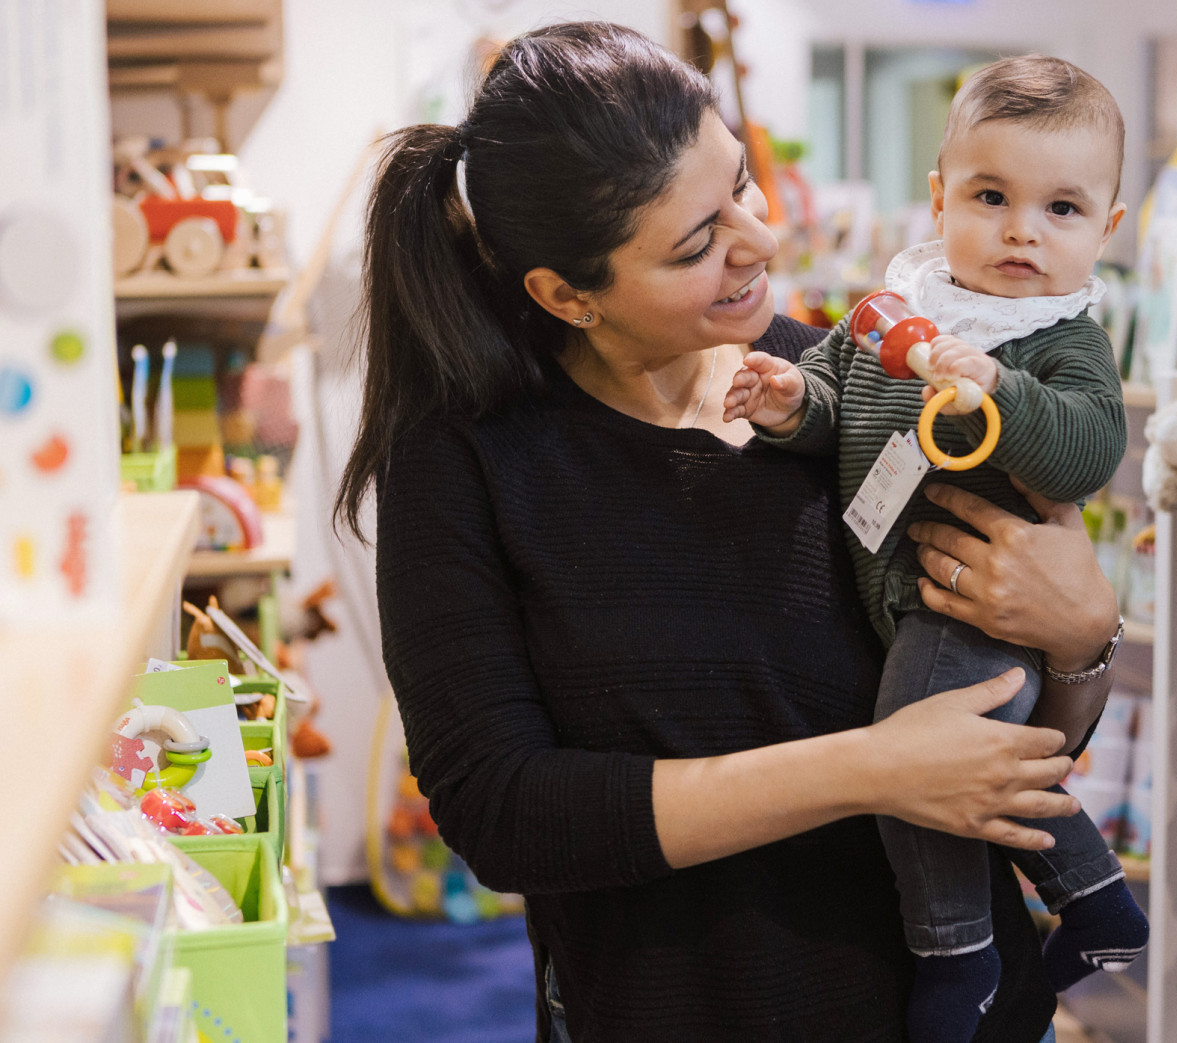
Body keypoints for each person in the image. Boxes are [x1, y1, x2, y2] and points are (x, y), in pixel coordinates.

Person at [339, 22, 1123, 1043]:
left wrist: (1081, 638)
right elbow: (503, 810)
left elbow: (998, 738)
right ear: (566, 293)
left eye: (742, 187)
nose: (758, 241)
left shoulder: (852, 383)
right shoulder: (465, 463)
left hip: (960, 1010)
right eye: (696, 241)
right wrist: (868, 767)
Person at [723, 56, 1147, 1043]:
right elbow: (839, 394)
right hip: (917, 598)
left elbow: (1087, 450)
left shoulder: (1054, 338)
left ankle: (960, 958)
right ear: (939, 195)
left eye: (1061, 210)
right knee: (982, 771)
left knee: (916, 764)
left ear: (1107, 229)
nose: (1019, 232)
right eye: (990, 196)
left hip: (973, 610)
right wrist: (793, 404)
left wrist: (996, 385)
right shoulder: (897, 308)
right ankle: (1097, 908)